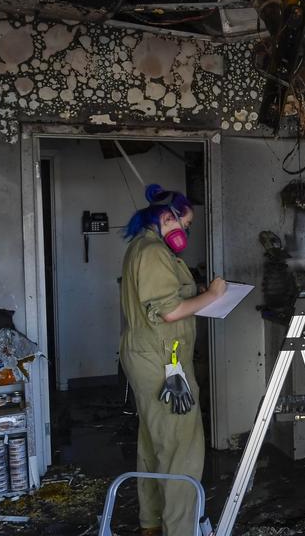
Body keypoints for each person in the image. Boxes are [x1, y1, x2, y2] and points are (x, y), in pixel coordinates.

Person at [120, 184, 226, 536]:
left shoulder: (147, 248)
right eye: (185, 225)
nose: (186, 232)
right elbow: (169, 311)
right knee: (182, 448)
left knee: (154, 442)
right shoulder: (152, 252)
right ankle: (179, 530)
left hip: (153, 355)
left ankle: (152, 524)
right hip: (163, 360)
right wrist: (211, 295)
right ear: (167, 217)